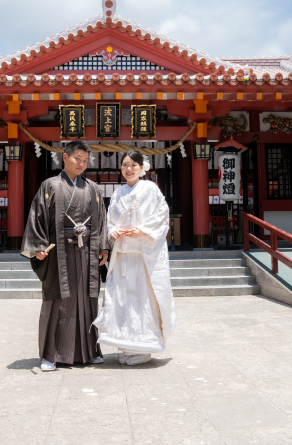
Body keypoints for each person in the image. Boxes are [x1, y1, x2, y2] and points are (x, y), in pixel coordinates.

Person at [21, 141, 110, 371]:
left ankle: (89, 351)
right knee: (58, 302)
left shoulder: (93, 188)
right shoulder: (50, 186)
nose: (81, 163)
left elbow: (100, 219)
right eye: (77, 158)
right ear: (65, 157)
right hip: (58, 253)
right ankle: (50, 355)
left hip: (87, 253)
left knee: (87, 301)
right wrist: (38, 246)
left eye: (85, 160)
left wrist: (103, 247)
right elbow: (36, 216)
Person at [93, 150, 176, 366]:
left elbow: (162, 215)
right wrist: (112, 232)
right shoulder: (118, 193)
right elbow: (110, 220)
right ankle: (127, 346)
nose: (128, 169)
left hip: (143, 257)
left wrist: (144, 231)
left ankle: (143, 347)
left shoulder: (151, 189)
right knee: (122, 299)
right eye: (125, 165)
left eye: (133, 165)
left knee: (142, 299)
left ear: (142, 168)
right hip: (123, 256)